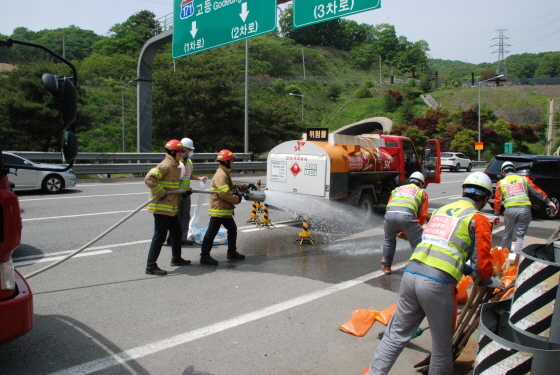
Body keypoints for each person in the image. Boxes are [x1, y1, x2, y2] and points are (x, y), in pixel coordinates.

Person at [363, 172, 504, 375]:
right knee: (441, 346)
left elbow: (442, 248)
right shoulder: (477, 218)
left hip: (411, 275)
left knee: (395, 336)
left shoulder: (442, 211)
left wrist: (469, 271)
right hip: (437, 283)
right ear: (486, 198)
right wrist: (489, 279)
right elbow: (482, 262)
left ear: (463, 191)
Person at [199, 149, 256, 265]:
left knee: (232, 229)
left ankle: (231, 252)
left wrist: (247, 186)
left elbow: (232, 186)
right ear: (226, 161)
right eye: (232, 161)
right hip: (219, 209)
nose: (233, 163)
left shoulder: (224, 173)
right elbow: (224, 193)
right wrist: (237, 199)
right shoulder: (221, 175)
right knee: (211, 233)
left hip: (224, 209)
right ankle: (204, 256)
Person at [144, 139, 192, 276]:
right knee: (159, 236)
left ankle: (176, 258)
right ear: (173, 152)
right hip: (161, 207)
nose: (182, 154)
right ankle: (150, 266)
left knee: (177, 232)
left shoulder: (175, 166)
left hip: (170, 208)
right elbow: (149, 178)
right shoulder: (166, 165)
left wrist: (183, 194)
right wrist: (161, 192)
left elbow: (172, 188)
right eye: (180, 151)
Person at [493, 161, 556, 253]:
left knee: (507, 233)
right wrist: (548, 201)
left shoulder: (501, 182)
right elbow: (536, 191)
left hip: (510, 210)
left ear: (503, 172)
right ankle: (517, 257)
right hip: (524, 210)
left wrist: (496, 214)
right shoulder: (524, 179)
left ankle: (505, 255)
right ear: (514, 170)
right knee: (521, 236)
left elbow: (497, 199)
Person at [380, 172, 428, 275]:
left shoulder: (397, 189)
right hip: (407, 217)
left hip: (389, 216)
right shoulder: (421, 193)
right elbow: (422, 215)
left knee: (389, 240)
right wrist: (414, 228)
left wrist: (398, 226)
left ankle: (386, 266)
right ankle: (416, 269)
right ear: (421, 184)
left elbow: (389, 206)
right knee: (417, 244)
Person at [166, 137, 207, 246]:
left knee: (185, 216)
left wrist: (199, 178)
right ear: (184, 149)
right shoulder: (176, 161)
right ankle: (172, 238)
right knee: (174, 217)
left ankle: (183, 237)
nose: (190, 152)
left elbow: (188, 176)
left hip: (186, 193)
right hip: (176, 194)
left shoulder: (189, 162)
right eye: (189, 150)